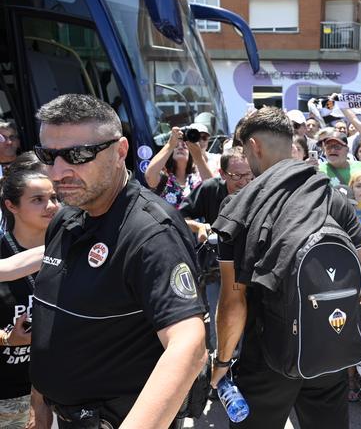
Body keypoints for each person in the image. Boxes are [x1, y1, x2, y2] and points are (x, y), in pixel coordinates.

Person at [30, 94, 207, 428]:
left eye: (77, 155)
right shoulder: (67, 216)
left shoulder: (151, 232)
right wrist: (40, 399)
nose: (57, 171)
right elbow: (52, 318)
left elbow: (189, 343)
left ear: (120, 151)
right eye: (48, 156)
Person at [209, 106, 361, 429]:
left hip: (267, 359)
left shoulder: (239, 207)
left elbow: (233, 303)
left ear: (254, 147)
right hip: (326, 349)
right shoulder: (328, 194)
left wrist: (222, 361)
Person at [0, 152, 59, 428]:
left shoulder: (67, 251)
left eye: (54, 198)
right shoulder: (3, 255)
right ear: (11, 206)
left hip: (60, 390)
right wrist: (7, 339)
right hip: (8, 394)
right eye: (38, 200)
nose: (51, 206)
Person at [178, 149, 253, 354]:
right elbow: (178, 217)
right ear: (222, 173)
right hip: (217, 269)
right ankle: (222, 370)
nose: (244, 181)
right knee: (220, 323)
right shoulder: (210, 189)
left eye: (248, 175)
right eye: (236, 176)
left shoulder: (259, 189)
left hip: (251, 268)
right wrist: (200, 227)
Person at [144, 126, 213, 208]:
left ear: (190, 155)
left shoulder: (196, 180)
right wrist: (170, 144)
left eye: (184, 146)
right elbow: (149, 176)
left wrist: (198, 157)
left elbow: (212, 189)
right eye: (176, 146)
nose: (180, 147)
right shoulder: (164, 179)